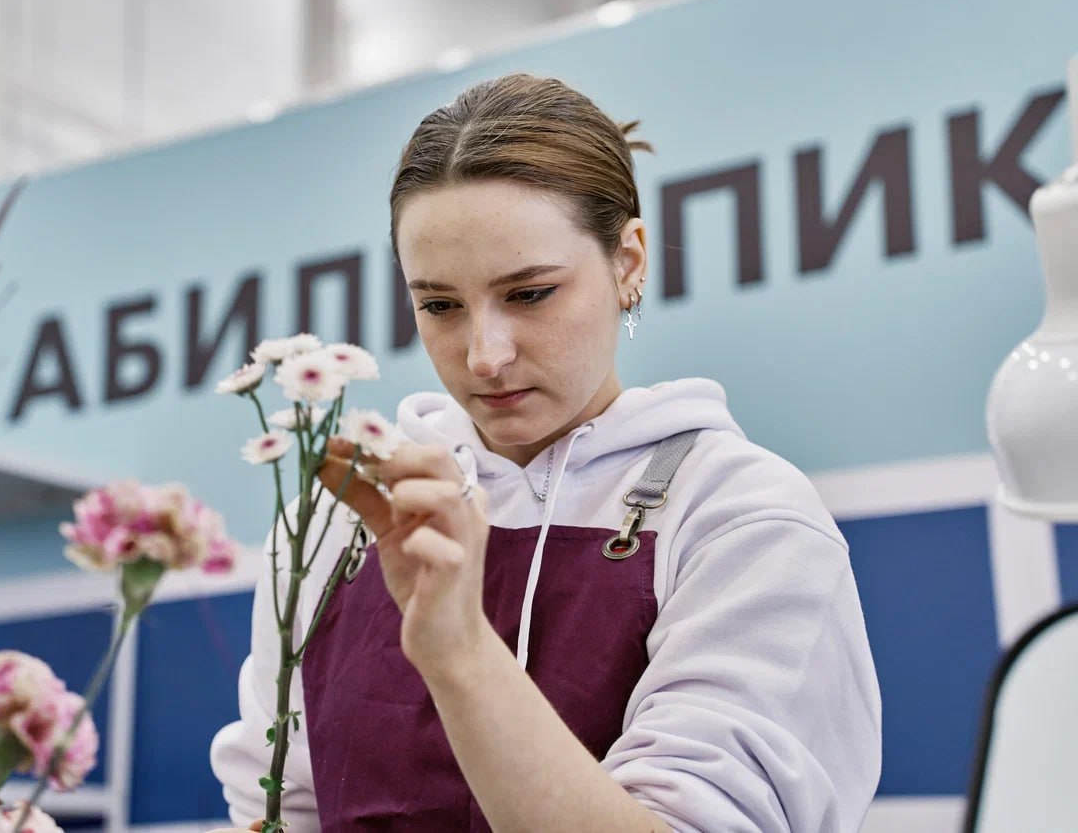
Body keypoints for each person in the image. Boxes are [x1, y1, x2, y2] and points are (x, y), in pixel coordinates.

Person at [209, 73, 881, 832]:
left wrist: (460, 653)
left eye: (529, 294)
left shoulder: (741, 519)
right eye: (439, 305)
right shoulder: (330, 529)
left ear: (628, 262)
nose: (485, 355)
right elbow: (278, 810)